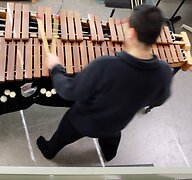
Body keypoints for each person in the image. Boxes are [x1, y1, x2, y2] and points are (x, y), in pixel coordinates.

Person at [37, 5, 173, 161]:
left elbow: (68, 91)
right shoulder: (164, 72)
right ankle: (109, 154)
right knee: (111, 140)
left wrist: (56, 68)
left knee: (63, 135)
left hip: (82, 122)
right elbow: (158, 100)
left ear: (132, 33)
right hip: (116, 125)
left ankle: (49, 150)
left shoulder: (104, 66)